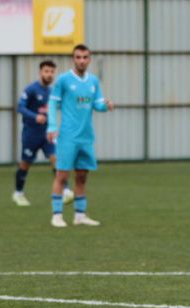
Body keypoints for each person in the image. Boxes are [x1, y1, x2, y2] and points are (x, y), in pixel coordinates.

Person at [46, 44, 114, 228]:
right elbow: (52, 104)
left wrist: (106, 106)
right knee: (61, 175)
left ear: (89, 59)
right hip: (68, 136)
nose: (82, 61)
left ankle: (80, 215)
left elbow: (97, 104)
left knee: (82, 176)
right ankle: (57, 216)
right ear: (73, 59)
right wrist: (51, 127)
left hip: (86, 137)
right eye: (78, 57)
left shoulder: (93, 81)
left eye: (85, 57)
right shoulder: (63, 80)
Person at [13, 60, 73, 207]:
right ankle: (18, 193)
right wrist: (35, 116)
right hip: (31, 134)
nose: (49, 74)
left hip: (47, 134)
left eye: (52, 72)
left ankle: (65, 190)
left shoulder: (52, 91)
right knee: (25, 164)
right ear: (40, 72)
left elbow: (58, 105)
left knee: (56, 160)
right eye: (46, 71)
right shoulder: (31, 89)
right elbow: (20, 107)